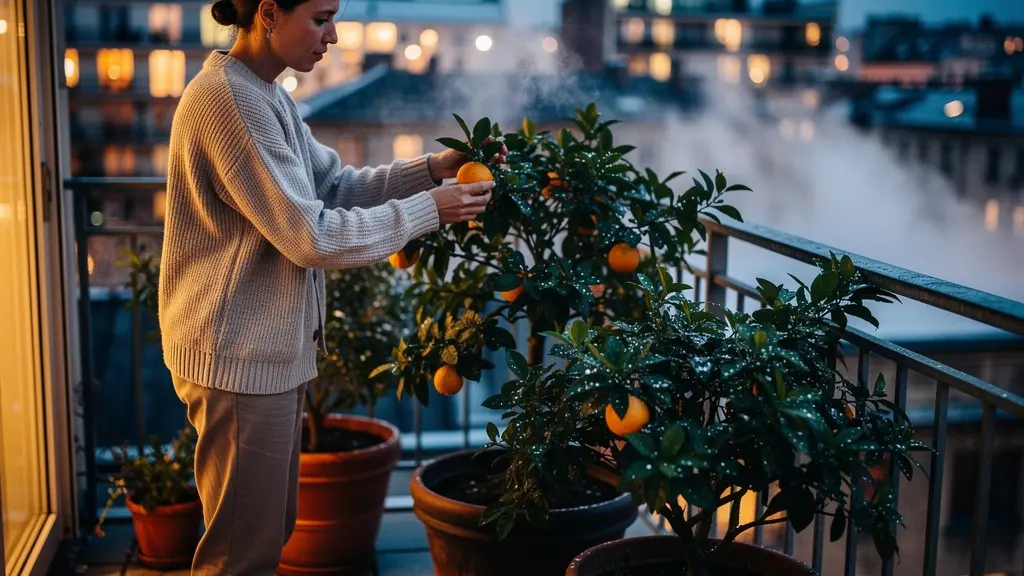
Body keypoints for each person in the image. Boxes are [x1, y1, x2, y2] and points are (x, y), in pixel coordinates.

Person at [158, 0, 505, 573]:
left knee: (266, 532)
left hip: (260, 353)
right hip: (238, 356)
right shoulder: (231, 100)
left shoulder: (265, 93)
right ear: (268, 12)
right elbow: (311, 235)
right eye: (321, 18)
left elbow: (334, 186)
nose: (335, 35)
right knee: (240, 554)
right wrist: (429, 210)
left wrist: (431, 172)